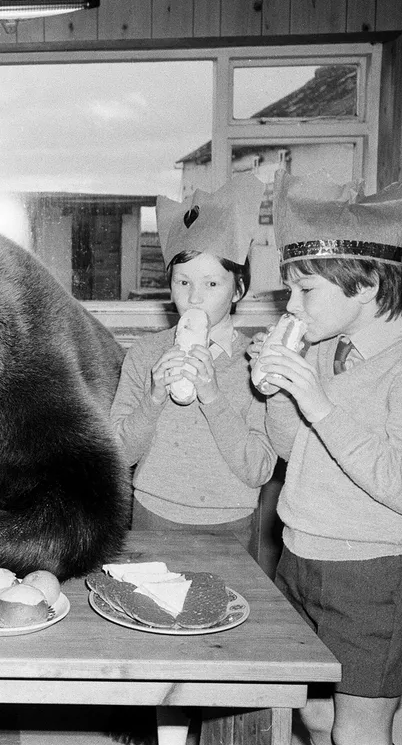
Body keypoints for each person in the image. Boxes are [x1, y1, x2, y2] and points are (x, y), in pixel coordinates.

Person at [254, 172, 402, 745]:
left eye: (306, 291)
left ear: (369, 283)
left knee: (359, 733)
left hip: (373, 576)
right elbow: (290, 451)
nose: (291, 305)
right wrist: (278, 388)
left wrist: (319, 404)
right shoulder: (325, 348)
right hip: (300, 557)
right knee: (317, 717)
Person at [111, 174, 276, 553]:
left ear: (239, 289)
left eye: (212, 285)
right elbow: (118, 455)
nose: (195, 298)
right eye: (183, 283)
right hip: (152, 513)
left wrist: (214, 397)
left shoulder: (258, 361)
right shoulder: (145, 355)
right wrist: (152, 399)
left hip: (229, 524)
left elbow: (259, 469)